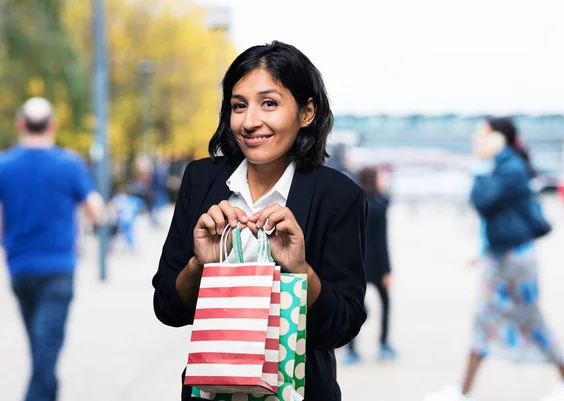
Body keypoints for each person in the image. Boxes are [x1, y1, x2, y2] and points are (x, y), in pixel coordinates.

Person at [152, 41, 368, 401]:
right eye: (239, 106)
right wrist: (198, 264)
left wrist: (301, 270)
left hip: (301, 391)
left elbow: (342, 326)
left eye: (269, 103)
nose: (250, 122)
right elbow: (167, 308)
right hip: (209, 390)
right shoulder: (200, 180)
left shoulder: (340, 196)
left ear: (306, 112)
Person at [424, 117, 564, 401]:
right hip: (504, 258)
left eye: (482, 134)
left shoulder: (509, 167)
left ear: (499, 138)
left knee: (528, 320)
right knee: (492, 320)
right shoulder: (504, 165)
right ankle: (464, 391)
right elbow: (489, 208)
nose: (476, 139)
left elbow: (484, 201)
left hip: (514, 261)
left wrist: (480, 165)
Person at [0, 97, 104, 401]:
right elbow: (96, 209)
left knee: (40, 348)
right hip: (58, 269)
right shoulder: (69, 164)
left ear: (21, 124)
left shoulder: (4, 165)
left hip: (20, 268)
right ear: (53, 126)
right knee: (45, 353)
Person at [345, 166, 397, 364]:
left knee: (355, 304)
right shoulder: (381, 205)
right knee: (385, 302)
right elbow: (382, 240)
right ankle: (383, 344)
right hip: (376, 262)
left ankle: (351, 350)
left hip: (355, 261)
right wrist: (388, 270)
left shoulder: (354, 202)